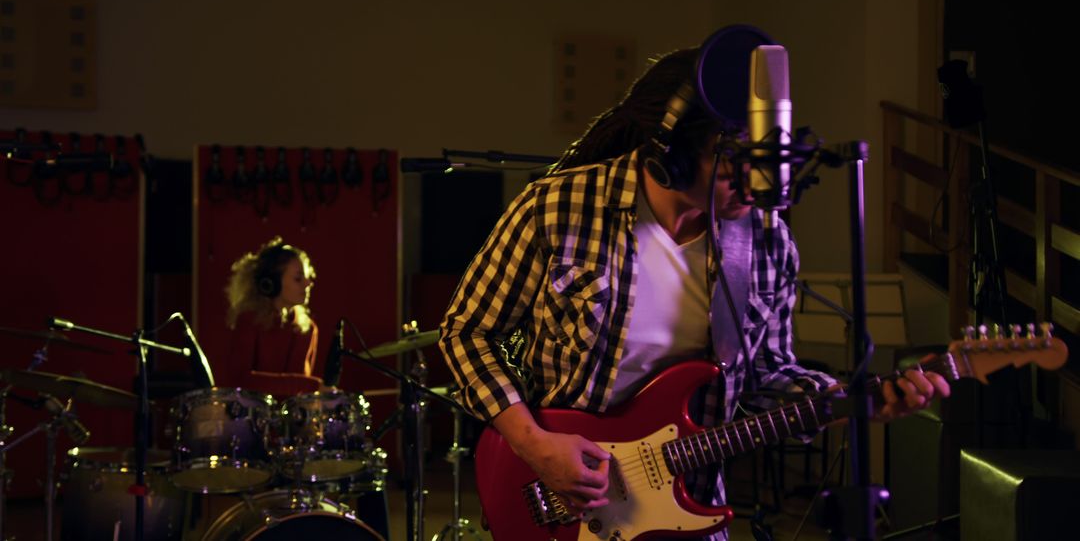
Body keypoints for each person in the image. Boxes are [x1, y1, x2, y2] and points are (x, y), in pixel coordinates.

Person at [438, 44, 950, 537]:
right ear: (673, 157)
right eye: (734, 162)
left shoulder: (768, 242)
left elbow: (766, 377)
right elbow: (467, 330)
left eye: (765, 159)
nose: (757, 183)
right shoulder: (559, 207)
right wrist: (534, 445)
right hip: (559, 501)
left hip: (686, 505)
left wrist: (854, 401)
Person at [225, 236, 325, 395]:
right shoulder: (249, 320)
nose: (308, 283)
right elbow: (239, 380)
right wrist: (311, 386)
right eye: (298, 278)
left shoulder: (307, 329)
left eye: (306, 277)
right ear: (271, 283)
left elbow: (296, 395)